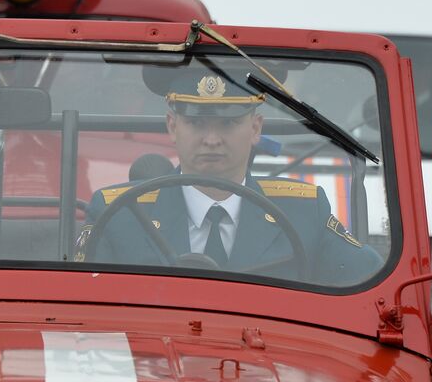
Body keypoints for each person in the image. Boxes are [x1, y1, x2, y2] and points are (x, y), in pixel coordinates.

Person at [78, 70, 383, 285]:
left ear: (255, 128)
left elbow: (370, 282)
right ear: (172, 126)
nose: (212, 139)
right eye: (196, 123)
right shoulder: (119, 212)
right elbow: (81, 308)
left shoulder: (304, 210)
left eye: (228, 123)